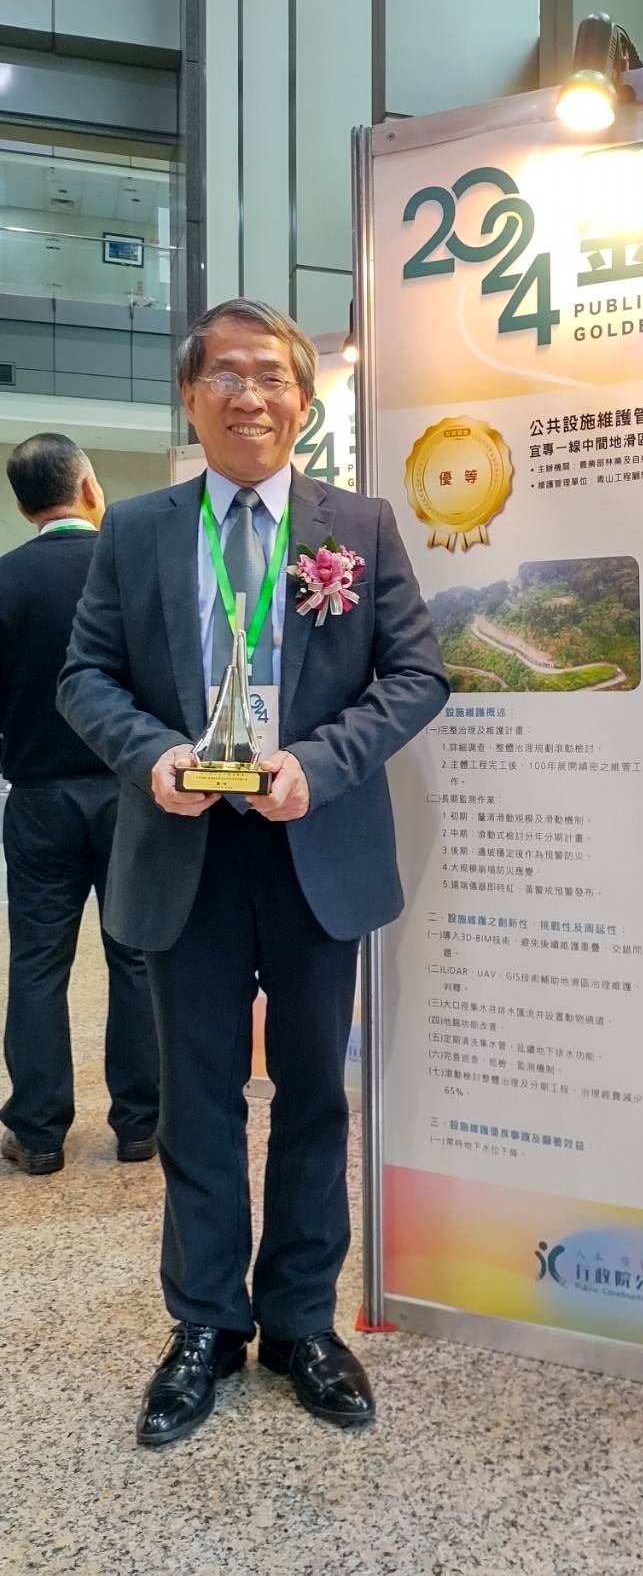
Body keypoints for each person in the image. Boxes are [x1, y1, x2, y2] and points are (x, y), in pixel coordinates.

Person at [58, 299, 449, 1448]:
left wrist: (317, 765)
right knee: (198, 1098)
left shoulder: (357, 524)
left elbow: (416, 674)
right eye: (225, 374)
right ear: (191, 396)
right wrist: (153, 753)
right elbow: (86, 676)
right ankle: (205, 1324)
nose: (250, 394)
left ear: (304, 401)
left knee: (317, 1095)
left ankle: (301, 1322)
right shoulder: (136, 529)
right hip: (185, 852)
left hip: (314, 847)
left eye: (272, 375)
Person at [0, 433, 159, 1176]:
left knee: (37, 962)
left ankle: (37, 1132)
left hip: (37, 798)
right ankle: (140, 1124)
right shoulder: (131, 570)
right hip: (129, 792)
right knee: (134, 956)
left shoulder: (4, 580)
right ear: (91, 490)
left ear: (22, 505)